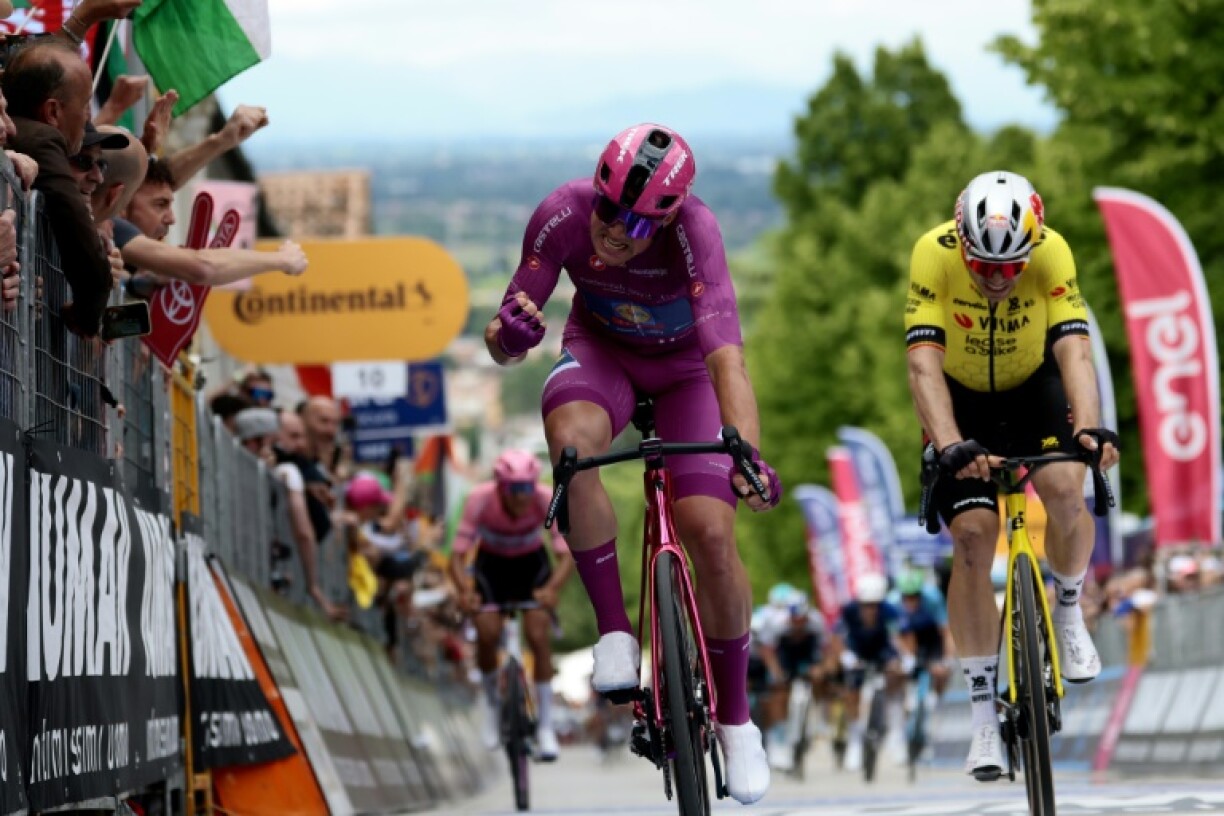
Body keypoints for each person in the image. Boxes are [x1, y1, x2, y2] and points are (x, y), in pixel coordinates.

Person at [484, 123, 781, 804]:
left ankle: (737, 722)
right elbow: (503, 337)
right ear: (595, 189)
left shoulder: (695, 235)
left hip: (686, 375)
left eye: (639, 223)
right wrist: (508, 337)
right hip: (603, 352)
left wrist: (745, 449)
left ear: (670, 216)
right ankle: (615, 632)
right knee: (572, 447)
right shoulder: (559, 213)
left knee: (709, 530)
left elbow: (726, 359)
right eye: (610, 210)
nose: (617, 232)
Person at [904, 170, 1121, 778]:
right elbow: (923, 366)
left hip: (1033, 390)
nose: (997, 280)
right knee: (973, 535)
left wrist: (1092, 427)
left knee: (1064, 487)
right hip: (960, 400)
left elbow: (1073, 348)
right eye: (984, 268)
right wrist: (948, 445)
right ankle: (981, 717)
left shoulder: (1052, 251)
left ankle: (1070, 607)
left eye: (1010, 268)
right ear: (962, 245)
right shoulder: (933, 253)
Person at [448, 450, 573, 761]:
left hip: (531, 567)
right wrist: (466, 591)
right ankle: (492, 707)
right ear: (500, 487)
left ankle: (545, 726)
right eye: (515, 489)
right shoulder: (479, 499)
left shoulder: (545, 497)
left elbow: (565, 555)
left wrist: (551, 589)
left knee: (538, 634)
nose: (522, 496)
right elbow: (456, 557)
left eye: (527, 487)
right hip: (492, 568)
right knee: (486, 633)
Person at [3, 39, 112, 335]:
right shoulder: (40, 139)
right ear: (53, 112)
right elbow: (75, 224)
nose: (90, 116)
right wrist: (88, 315)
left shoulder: (27, 132)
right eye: (86, 103)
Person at [828, 572, 910, 772]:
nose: (870, 609)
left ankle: (895, 733)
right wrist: (845, 656)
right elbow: (837, 638)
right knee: (852, 691)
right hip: (857, 651)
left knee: (895, 676)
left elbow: (899, 636)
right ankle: (855, 739)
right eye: (866, 605)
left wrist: (906, 657)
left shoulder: (890, 611)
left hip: (882, 650)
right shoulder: (848, 611)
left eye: (875, 605)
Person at [753, 586, 826, 772]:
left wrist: (820, 668)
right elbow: (767, 651)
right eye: (795, 620)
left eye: (802, 620)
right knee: (779, 691)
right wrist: (775, 671)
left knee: (820, 678)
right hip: (783, 654)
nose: (799, 624)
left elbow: (826, 648)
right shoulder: (777, 624)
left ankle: (818, 719)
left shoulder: (816, 621)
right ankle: (779, 738)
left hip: (807, 652)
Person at [890, 569, 953, 698]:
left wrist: (948, 658)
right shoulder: (893, 602)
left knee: (940, 671)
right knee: (898, 669)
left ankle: (938, 697)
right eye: (906, 597)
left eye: (914, 596)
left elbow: (946, 631)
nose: (911, 600)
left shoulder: (933, 598)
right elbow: (894, 636)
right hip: (907, 635)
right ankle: (907, 696)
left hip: (930, 633)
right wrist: (906, 656)